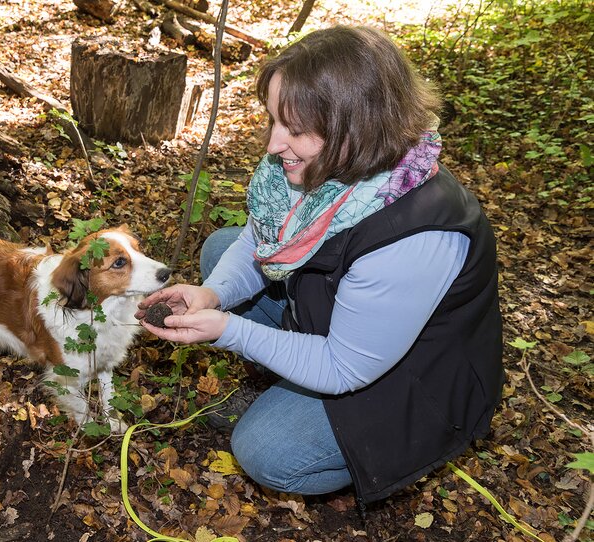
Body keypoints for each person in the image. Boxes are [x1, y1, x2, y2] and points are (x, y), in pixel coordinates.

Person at [136, 26, 503, 510]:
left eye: (295, 129)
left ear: (360, 125)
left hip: (410, 380)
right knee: (220, 251)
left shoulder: (414, 235)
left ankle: (360, 457)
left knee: (265, 451)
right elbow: (256, 240)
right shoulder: (328, 165)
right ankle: (291, 387)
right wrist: (214, 294)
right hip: (343, 321)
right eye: (272, 120)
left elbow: (343, 366)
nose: (273, 144)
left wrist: (227, 330)